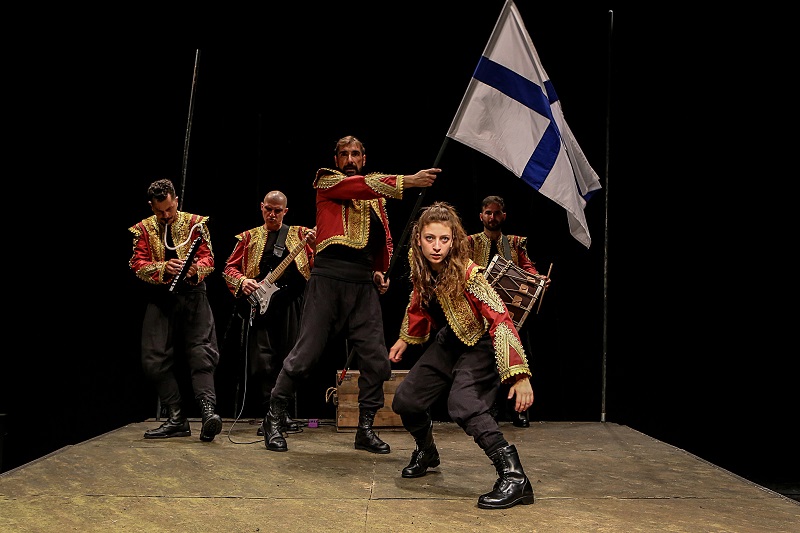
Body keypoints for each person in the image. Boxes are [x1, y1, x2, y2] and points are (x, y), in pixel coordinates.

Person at [262, 135, 441, 454]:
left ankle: (365, 429)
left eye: (355, 154)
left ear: (364, 158)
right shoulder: (327, 181)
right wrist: (409, 181)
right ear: (336, 159)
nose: (349, 159)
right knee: (305, 355)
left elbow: (383, 238)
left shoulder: (376, 200)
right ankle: (273, 419)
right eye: (343, 154)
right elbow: (360, 186)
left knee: (377, 361)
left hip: (362, 284)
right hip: (328, 279)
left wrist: (379, 271)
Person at [389, 201, 535, 510]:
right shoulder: (420, 264)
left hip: (480, 343)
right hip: (450, 341)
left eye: (444, 239)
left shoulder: (470, 274)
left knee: (463, 403)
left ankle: (515, 477)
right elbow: (418, 299)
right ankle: (427, 451)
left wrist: (519, 376)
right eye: (430, 238)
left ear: (453, 240)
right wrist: (406, 337)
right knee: (406, 400)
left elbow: (500, 318)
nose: (437, 246)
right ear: (419, 239)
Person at [128, 178, 223, 442]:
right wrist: (163, 268)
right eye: (160, 211)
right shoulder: (143, 229)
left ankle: (208, 414)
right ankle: (177, 417)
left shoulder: (196, 224)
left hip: (193, 295)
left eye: (169, 209)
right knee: (153, 359)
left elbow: (209, 259)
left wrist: (195, 269)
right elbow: (137, 264)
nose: (166, 215)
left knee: (202, 352)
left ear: (176, 201)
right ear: (151, 206)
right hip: (161, 296)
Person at [222, 190, 316, 435]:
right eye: (268, 209)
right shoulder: (248, 237)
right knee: (262, 363)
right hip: (260, 305)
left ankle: (281, 413)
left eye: (277, 211)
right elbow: (229, 269)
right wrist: (243, 281)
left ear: (286, 211)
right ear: (261, 207)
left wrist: (316, 246)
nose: (272, 214)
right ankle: (268, 414)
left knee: (290, 360)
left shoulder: (300, 234)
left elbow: (319, 266)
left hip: (291, 305)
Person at [466, 195, 549, 428]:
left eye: (496, 213)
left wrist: (539, 280)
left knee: (519, 357)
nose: (492, 217)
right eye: (488, 213)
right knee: (486, 362)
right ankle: (487, 411)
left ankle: (519, 411)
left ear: (504, 216)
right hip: (483, 314)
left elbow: (528, 267)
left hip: (513, 315)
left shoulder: (514, 242)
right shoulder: (470, 242)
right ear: (481, 216)